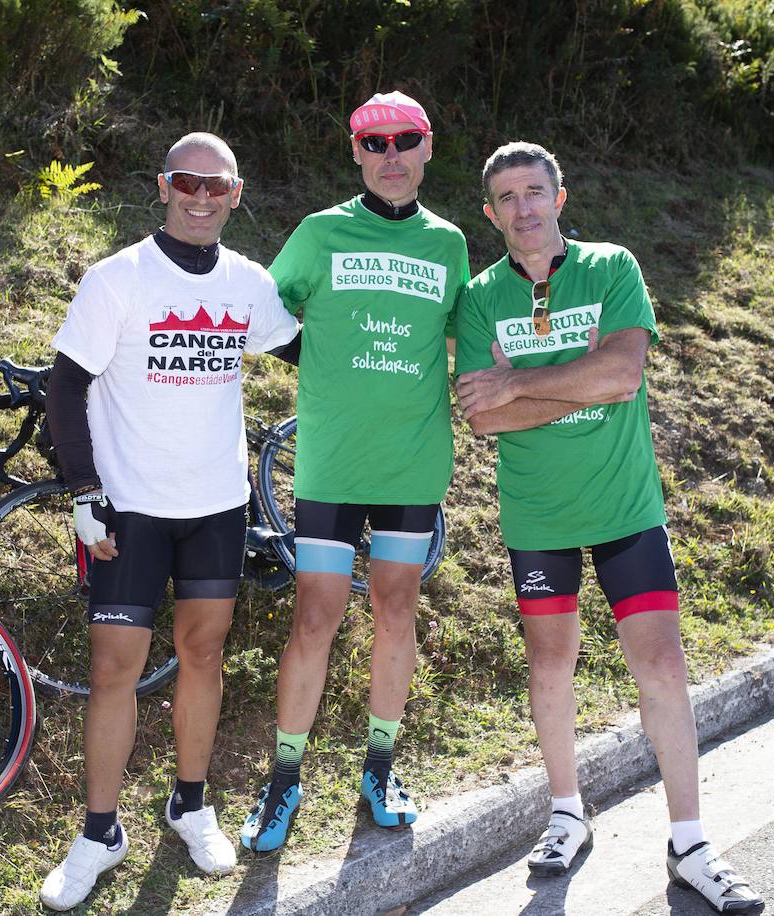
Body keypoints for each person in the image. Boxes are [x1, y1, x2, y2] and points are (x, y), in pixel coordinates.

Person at [453, 141, 763, 913]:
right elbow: (483, 419)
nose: (523, 208)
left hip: (627, 509)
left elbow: (624, 375)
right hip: (539, 516)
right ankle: (566, 812)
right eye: (507, 198)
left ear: (559, 197)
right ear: (490, 214)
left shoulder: (612, 267)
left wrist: (522, 383)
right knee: (551, 664)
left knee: (661, 665)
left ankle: (690, 841)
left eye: (534, 192)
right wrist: (576, 383)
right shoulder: (478, 296)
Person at [38, 132, 299, 911]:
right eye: (187, 181)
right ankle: (98, 832)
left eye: (215, 185)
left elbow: (310, 354)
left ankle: (190, 804)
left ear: (236, 194)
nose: (200, 196)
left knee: (203, 655)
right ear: (163, 186)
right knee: (114, 668)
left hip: (217, 505)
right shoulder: (117, 278)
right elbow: (63, 388)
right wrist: (83, 492)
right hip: (130, 508)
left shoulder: (250, 283)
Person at [240, 91, 470, 852]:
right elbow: (261, 313)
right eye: (376, 144)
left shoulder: (450, 245)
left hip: (412, 463)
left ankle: (380, 766)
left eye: (406, 140)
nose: (392, 155)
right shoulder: (320, 232)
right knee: (315, 618)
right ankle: (284, 777)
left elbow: (466, 341)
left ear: (428, 148)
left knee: (396, 613)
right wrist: (319, 361)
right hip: (332, 466)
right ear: (356, 154)